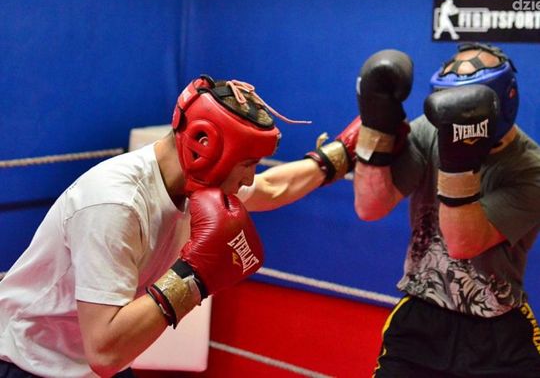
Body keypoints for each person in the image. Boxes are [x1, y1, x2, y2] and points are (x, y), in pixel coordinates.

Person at [0, 75, 359, 378]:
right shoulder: (115, 204)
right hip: (30, 362)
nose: (250, 177)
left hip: (97, 360)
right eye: (247, 163)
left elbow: (271, 188)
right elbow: (105, 351)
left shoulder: (201, 182)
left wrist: (339, 156)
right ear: (205, 145)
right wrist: (193, 277)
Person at [353, 43, 540, 377]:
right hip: (421, 318)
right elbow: (371, 207)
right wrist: (375, 128)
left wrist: (458, 159)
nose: (455, 118)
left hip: (497, 332)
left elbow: (463, 243)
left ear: (503, 100)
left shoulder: (530, 169)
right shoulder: (430, 130)